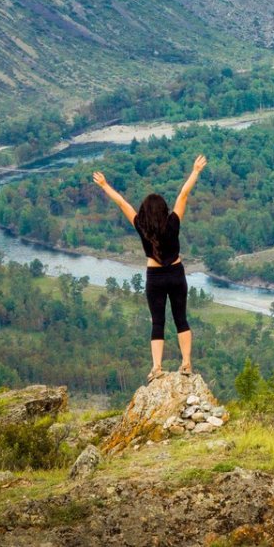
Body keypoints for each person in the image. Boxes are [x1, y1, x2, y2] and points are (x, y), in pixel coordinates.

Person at [93, 154, 206, 382]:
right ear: (164, 210)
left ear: (145, 212)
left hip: (154, 276)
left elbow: (122, 203)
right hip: (175, 273)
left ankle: (157, 367)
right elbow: (183, 194)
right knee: (180, 319)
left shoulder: (141, 226)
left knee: (158, 322)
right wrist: (195, 171)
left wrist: (105, 185)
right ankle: (186, 362)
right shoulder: (173, 222)